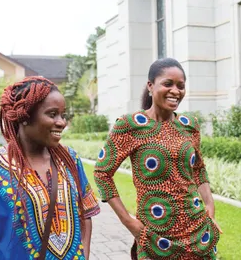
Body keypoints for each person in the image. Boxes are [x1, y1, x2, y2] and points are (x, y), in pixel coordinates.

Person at [0, 76, 100, 259]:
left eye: (63, 115)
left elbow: (85, 212)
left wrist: (84, 255)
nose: (62, 122)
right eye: (52, 114)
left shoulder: (70, 159)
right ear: (24, 116)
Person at [94, 58, 220, 259]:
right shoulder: (130, 125)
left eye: (181, 86)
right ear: (150, 86)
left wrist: (210, 208)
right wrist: (130, 223)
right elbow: (102, 173)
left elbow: (198, 169)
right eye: (168, 84)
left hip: (198, 234)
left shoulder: (190, 125)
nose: (175, 91)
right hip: (155, 236)